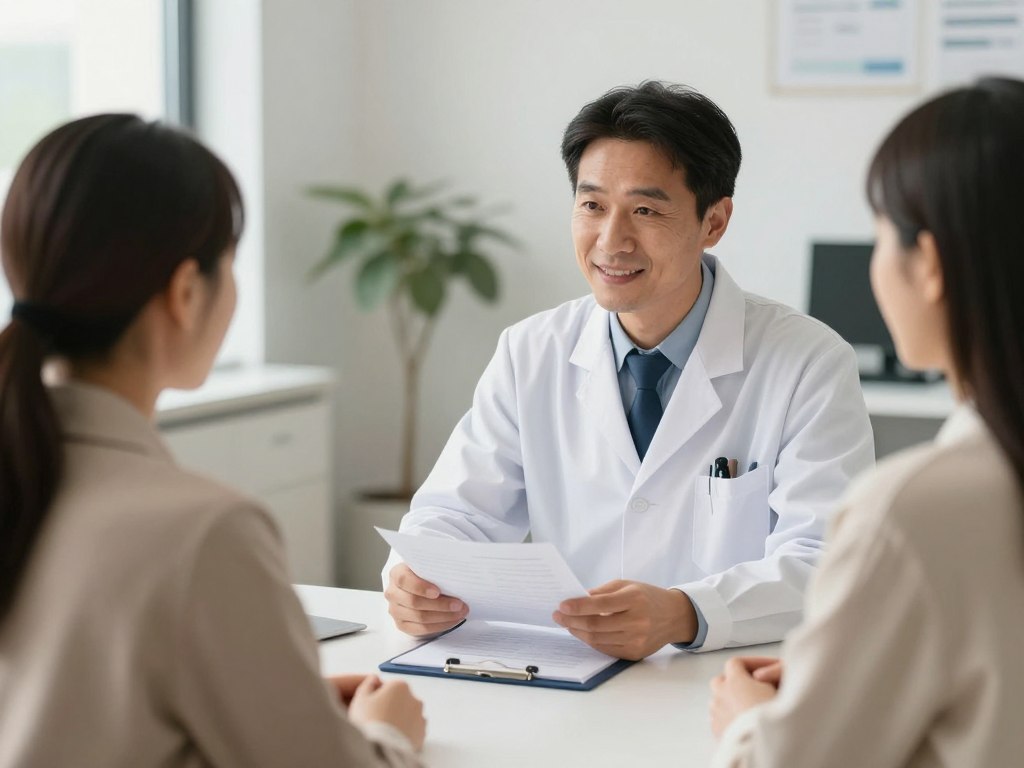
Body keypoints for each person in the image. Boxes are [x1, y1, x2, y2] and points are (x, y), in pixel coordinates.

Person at [383, 81, 874, 660]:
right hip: (571, 674)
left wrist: (687, 612)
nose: (611, 241)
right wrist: (416, 578)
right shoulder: (530, 351)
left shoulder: (808, 362)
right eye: (592, 205)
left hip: (730, 679)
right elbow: (456, 512)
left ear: (714, 222)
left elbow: (826, 559)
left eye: (645, 209)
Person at [0, 115, 425, 767]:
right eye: (230, 262)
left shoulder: (28, 474)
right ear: (185, 290)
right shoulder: (202, 531)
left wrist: (270, 699)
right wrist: (384, 733)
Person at [709, 77, 1024, 767]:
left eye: (881, 234)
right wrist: (848, 677)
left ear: (930, 264)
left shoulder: (913, 509)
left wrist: (751, 725)